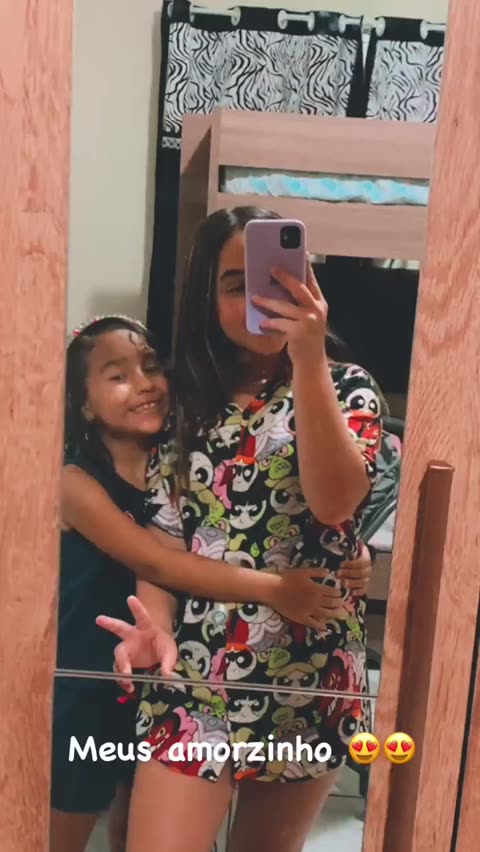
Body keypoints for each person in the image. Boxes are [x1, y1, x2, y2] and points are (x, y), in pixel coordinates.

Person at [99, 207, 383, 852]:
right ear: (208, 299)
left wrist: (308, 360)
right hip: (193, 671)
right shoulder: (181, 402)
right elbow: (165, 539)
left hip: (308, 672)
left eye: (283, 280)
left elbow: (335, 502)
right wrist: (156, 628)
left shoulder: (348, 389)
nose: (264, 299)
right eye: (237, 285)